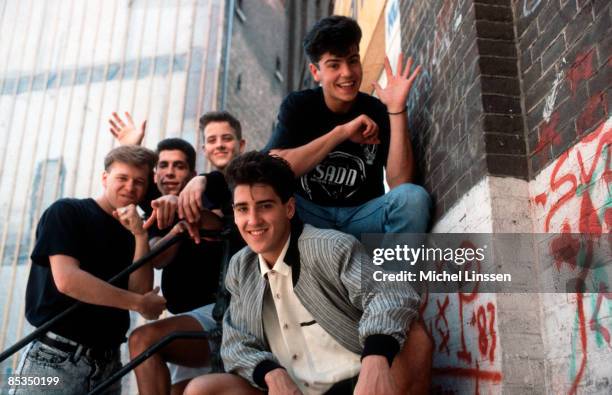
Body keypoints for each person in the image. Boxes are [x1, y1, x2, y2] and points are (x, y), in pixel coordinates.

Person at [184, 151, 432, 395]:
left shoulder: (329, 247)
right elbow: (235, 342)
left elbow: (391, 294)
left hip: (357, 383)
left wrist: (375, 360)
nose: (253, 220)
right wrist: (272, 374)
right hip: (291, 389)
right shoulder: (241, 267)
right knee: (203, 389)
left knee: (415, 339)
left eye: (265, 206)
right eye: (242, 209)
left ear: (289, 208)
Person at [12, 146, 166, 395]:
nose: (130, 187)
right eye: (122, 178)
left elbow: (140, 292)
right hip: (53, 359)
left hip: (108, 363)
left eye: (139, 182)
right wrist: (138, 302)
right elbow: (68, 281)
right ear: (105, 178)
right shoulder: (67, 212)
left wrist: (140, 234)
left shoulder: (133, 233)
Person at [110, 112, 245, 395]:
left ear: (193, 175)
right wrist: (132, 147)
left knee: (144, 340)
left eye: (180, 166)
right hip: (184, 318)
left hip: (224, 315)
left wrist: (185, 206)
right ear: (155, 175)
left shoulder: (213, 196)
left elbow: (216, 212)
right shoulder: (153, 211)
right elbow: (126, 182)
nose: (171, 172)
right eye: (164, 166)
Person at [264, 16, 431, 238]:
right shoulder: (300, 105)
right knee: (268, 199)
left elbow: (401, 184)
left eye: (353, 60)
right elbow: (273, 167)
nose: (347, 73)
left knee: (413, 198)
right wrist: (341, 132)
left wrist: (396, 110)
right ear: (316, 72)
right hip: (309, 216)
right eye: (334, 65)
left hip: (362, 217)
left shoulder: (377, 110)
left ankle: (392, 274)